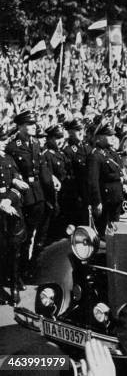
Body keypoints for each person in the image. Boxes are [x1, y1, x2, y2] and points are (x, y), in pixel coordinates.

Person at [6, 110, 52, 276]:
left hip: (38, 193)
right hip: (23, 195)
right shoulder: (12, 146)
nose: (34, 127)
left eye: (34, 123)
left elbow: (41, 169)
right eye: (29, 124)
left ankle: (30, 269)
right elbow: (10, 172)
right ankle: (18, 272)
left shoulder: (35, 143)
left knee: (35, 233)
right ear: (20, 126)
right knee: (23, 236)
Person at [0, 125, 26, 305]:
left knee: (15, 250)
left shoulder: (9, 158)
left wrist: (9, 199)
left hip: (12, 209)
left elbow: (19, 183)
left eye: (4, 140)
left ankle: (14, 284)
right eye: (0, 140)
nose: (4, 143)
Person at [87, 123, 124, 237]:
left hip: (116, 195)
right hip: (106, 197)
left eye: (113, 135)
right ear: (99, 137)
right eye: (109, 135)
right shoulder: (95, 155)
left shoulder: (111, 153)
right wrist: (97, 201)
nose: (113, 137)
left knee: (115, 227)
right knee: (104, 230)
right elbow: (93, 181)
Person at [62, 119, 91, 226]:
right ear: (69, 132)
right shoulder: (68, 150)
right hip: (77, 192)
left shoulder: (87, 147)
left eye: (82, 129)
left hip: (89, 190)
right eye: (77, 129)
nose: (81, 132)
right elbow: (69, 174)